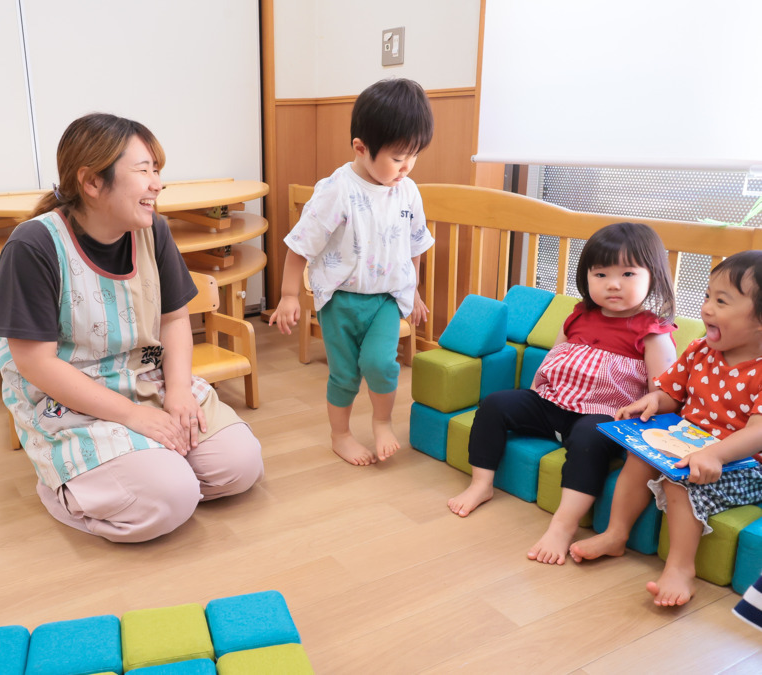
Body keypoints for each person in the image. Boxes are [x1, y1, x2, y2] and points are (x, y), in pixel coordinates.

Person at [0, 113, 264, 543]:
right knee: (170, 497)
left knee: (240, 466)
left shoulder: (153, 230)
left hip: (145, 377)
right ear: (93, 183)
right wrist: (135, 418)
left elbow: (174, 318)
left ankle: (154, 472)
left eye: (157, 171)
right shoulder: (34, 245)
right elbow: (34, 363)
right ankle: (64, 489)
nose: (157, 183)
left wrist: (175, 392)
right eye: (143, 171)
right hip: (71, 399)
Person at [447, 222, 679, 567]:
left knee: (589, 437)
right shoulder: (579, 315)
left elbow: (664, 394)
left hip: (603, 415)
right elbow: (556, 357)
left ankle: (562, 526)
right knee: (496, 403)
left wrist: (647, 407)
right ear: (586, 278)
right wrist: (537, 393)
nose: (613, 284)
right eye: (600, 274)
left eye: (628, 273)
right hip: (553, 402)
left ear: (654, 277)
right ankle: (482, 483)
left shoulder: (652, 333)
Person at [571, 250, 762, 606]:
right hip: (689, 442)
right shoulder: (701, 350)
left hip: (746, 463)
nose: (706, 308)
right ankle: (615, 535)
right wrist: (654, 402)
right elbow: (672, 392)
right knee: (638, 455)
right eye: (707, 296)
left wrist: (713, 453)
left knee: (679, 479)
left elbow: (757, 431)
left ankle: (680, 569)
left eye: (721, 301)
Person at [268, 78, 434, 466]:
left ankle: (381, 422)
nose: (406, 167)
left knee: (380, 364)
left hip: (386, 301)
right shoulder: (336, 190)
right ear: (361, 147)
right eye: (397, 157)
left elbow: (415, 245)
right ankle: (339, 435)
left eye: (414, 155)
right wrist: (290, 295)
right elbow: (299, 245)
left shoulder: (407, 190)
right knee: (344, 375)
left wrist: (416, 291)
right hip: (340, 300)